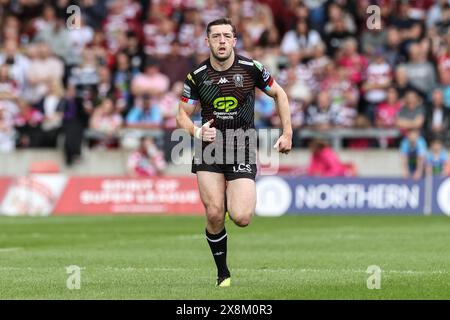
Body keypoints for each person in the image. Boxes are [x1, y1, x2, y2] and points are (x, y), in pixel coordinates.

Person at [176, 18, 292, 287]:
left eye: (227, 36)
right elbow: (181, 116)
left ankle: (228, 199)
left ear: (234, 41)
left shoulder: (252, 69)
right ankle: (222, 273)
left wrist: (287, 133)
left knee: (241, 217)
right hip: (209, 149)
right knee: (215, 213)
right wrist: (196, 132)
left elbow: (280, 94)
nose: (221, 41)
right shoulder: (197, 76)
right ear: (207, 41)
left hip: (242, 146)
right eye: (215, 36)